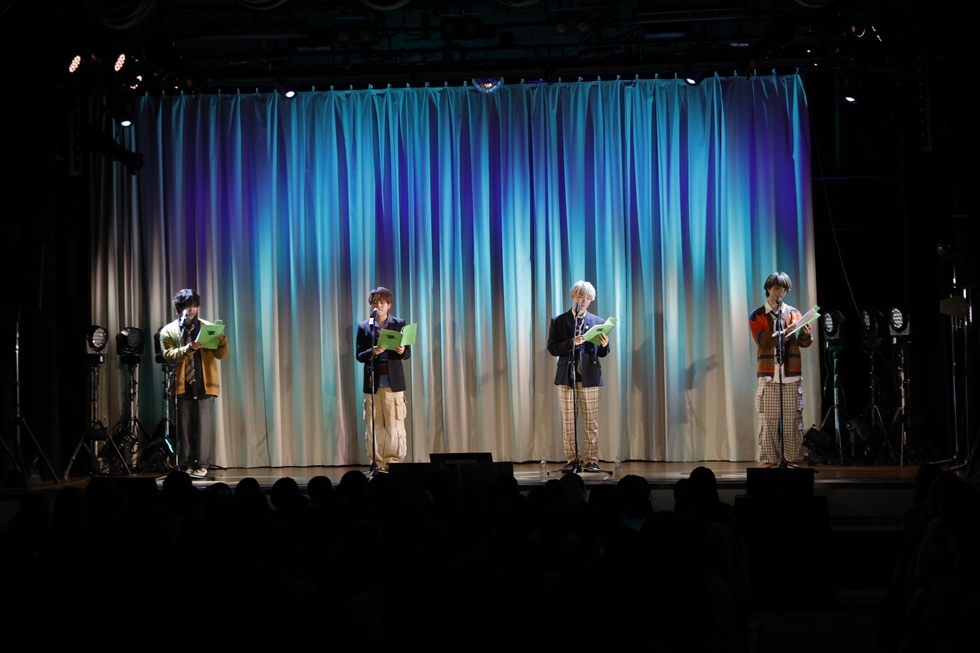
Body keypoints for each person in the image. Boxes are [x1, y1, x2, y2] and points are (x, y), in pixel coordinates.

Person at [160, 288, 229, 477]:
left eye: (194, 306)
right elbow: (169, 356)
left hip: (204, 384)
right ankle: (185, 464)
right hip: (182, 385)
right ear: (178, 308)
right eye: (186, 306)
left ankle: (202, 464)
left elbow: (221, 354)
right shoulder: (169, 331)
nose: (191, 310)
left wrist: (222, 341)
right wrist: (189, 348)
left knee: (204, 429)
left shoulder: (208, 327)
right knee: (184, 430)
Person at [748, 272, 812, 466]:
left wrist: (805, 334)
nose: (780, 292)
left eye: (784, 289)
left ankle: (792, 458)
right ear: (768, 288)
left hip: (791, 375)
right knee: (768, 421)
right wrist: (785, 332)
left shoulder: (794, 313)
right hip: (769, 376)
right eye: (777, 288)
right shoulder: (758, 315)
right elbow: (764, 340)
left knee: (793, 420)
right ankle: (769, 460)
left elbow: (804, 343)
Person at [547, 280, 610, 472]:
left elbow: (601, 353)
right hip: (567, 376)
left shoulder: (598, 322)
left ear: (591, 300)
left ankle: (591, 460)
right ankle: (572, 459)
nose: (583, 301)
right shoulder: (559, 321)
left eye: (587, 298)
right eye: (580, 296)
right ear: (572, 296)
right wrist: (571, 343)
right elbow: (552, 348)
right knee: (569, 422)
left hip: (589, 376)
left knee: (591, 422)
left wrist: (605, 345)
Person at [355, 286, 411, 471]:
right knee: (374, 425)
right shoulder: (364, 326)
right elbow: (359, 355)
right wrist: (373, 351)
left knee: (394, 424)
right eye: (375, 302)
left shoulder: (398, 323)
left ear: (389, 305)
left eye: (382, 302)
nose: (378, 305)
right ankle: (377, 462)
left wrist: (402, 350)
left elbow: (407, 353)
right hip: (373, 383)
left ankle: (393, 462)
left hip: (393, 383)